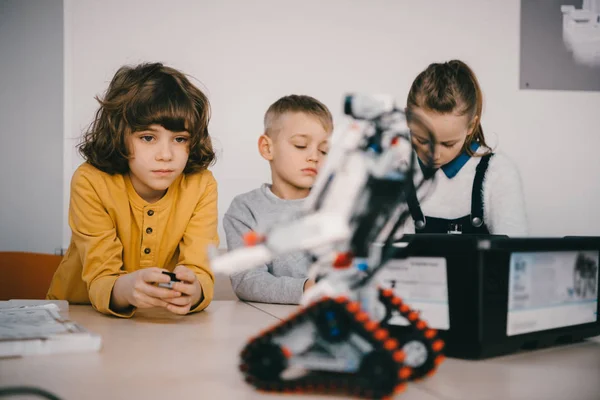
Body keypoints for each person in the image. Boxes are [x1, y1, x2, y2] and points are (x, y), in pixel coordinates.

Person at [47, 62, 219, 317]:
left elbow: (200, 270)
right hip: (76, 312)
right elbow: (101, 274)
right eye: (148, 138)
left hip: (158, 318)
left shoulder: (202, 184)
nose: (165, 155)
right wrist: (126, 289)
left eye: (180, 139)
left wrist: (194, 291)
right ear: (119, 134)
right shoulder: (90, 181)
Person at [223, 95, 333, 304]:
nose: (314, 157)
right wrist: (306, 288)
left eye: (324, 150)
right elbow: (247, 280)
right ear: (267, 148)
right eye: (301, 145)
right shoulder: (245, 209)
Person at [400, 60, 527, 236]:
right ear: (407, 118)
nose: (434, 155)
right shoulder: (394, 170)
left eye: (448, 144)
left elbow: (513, 256)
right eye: (422, 141)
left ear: (471, 126)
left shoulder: (498, 173)